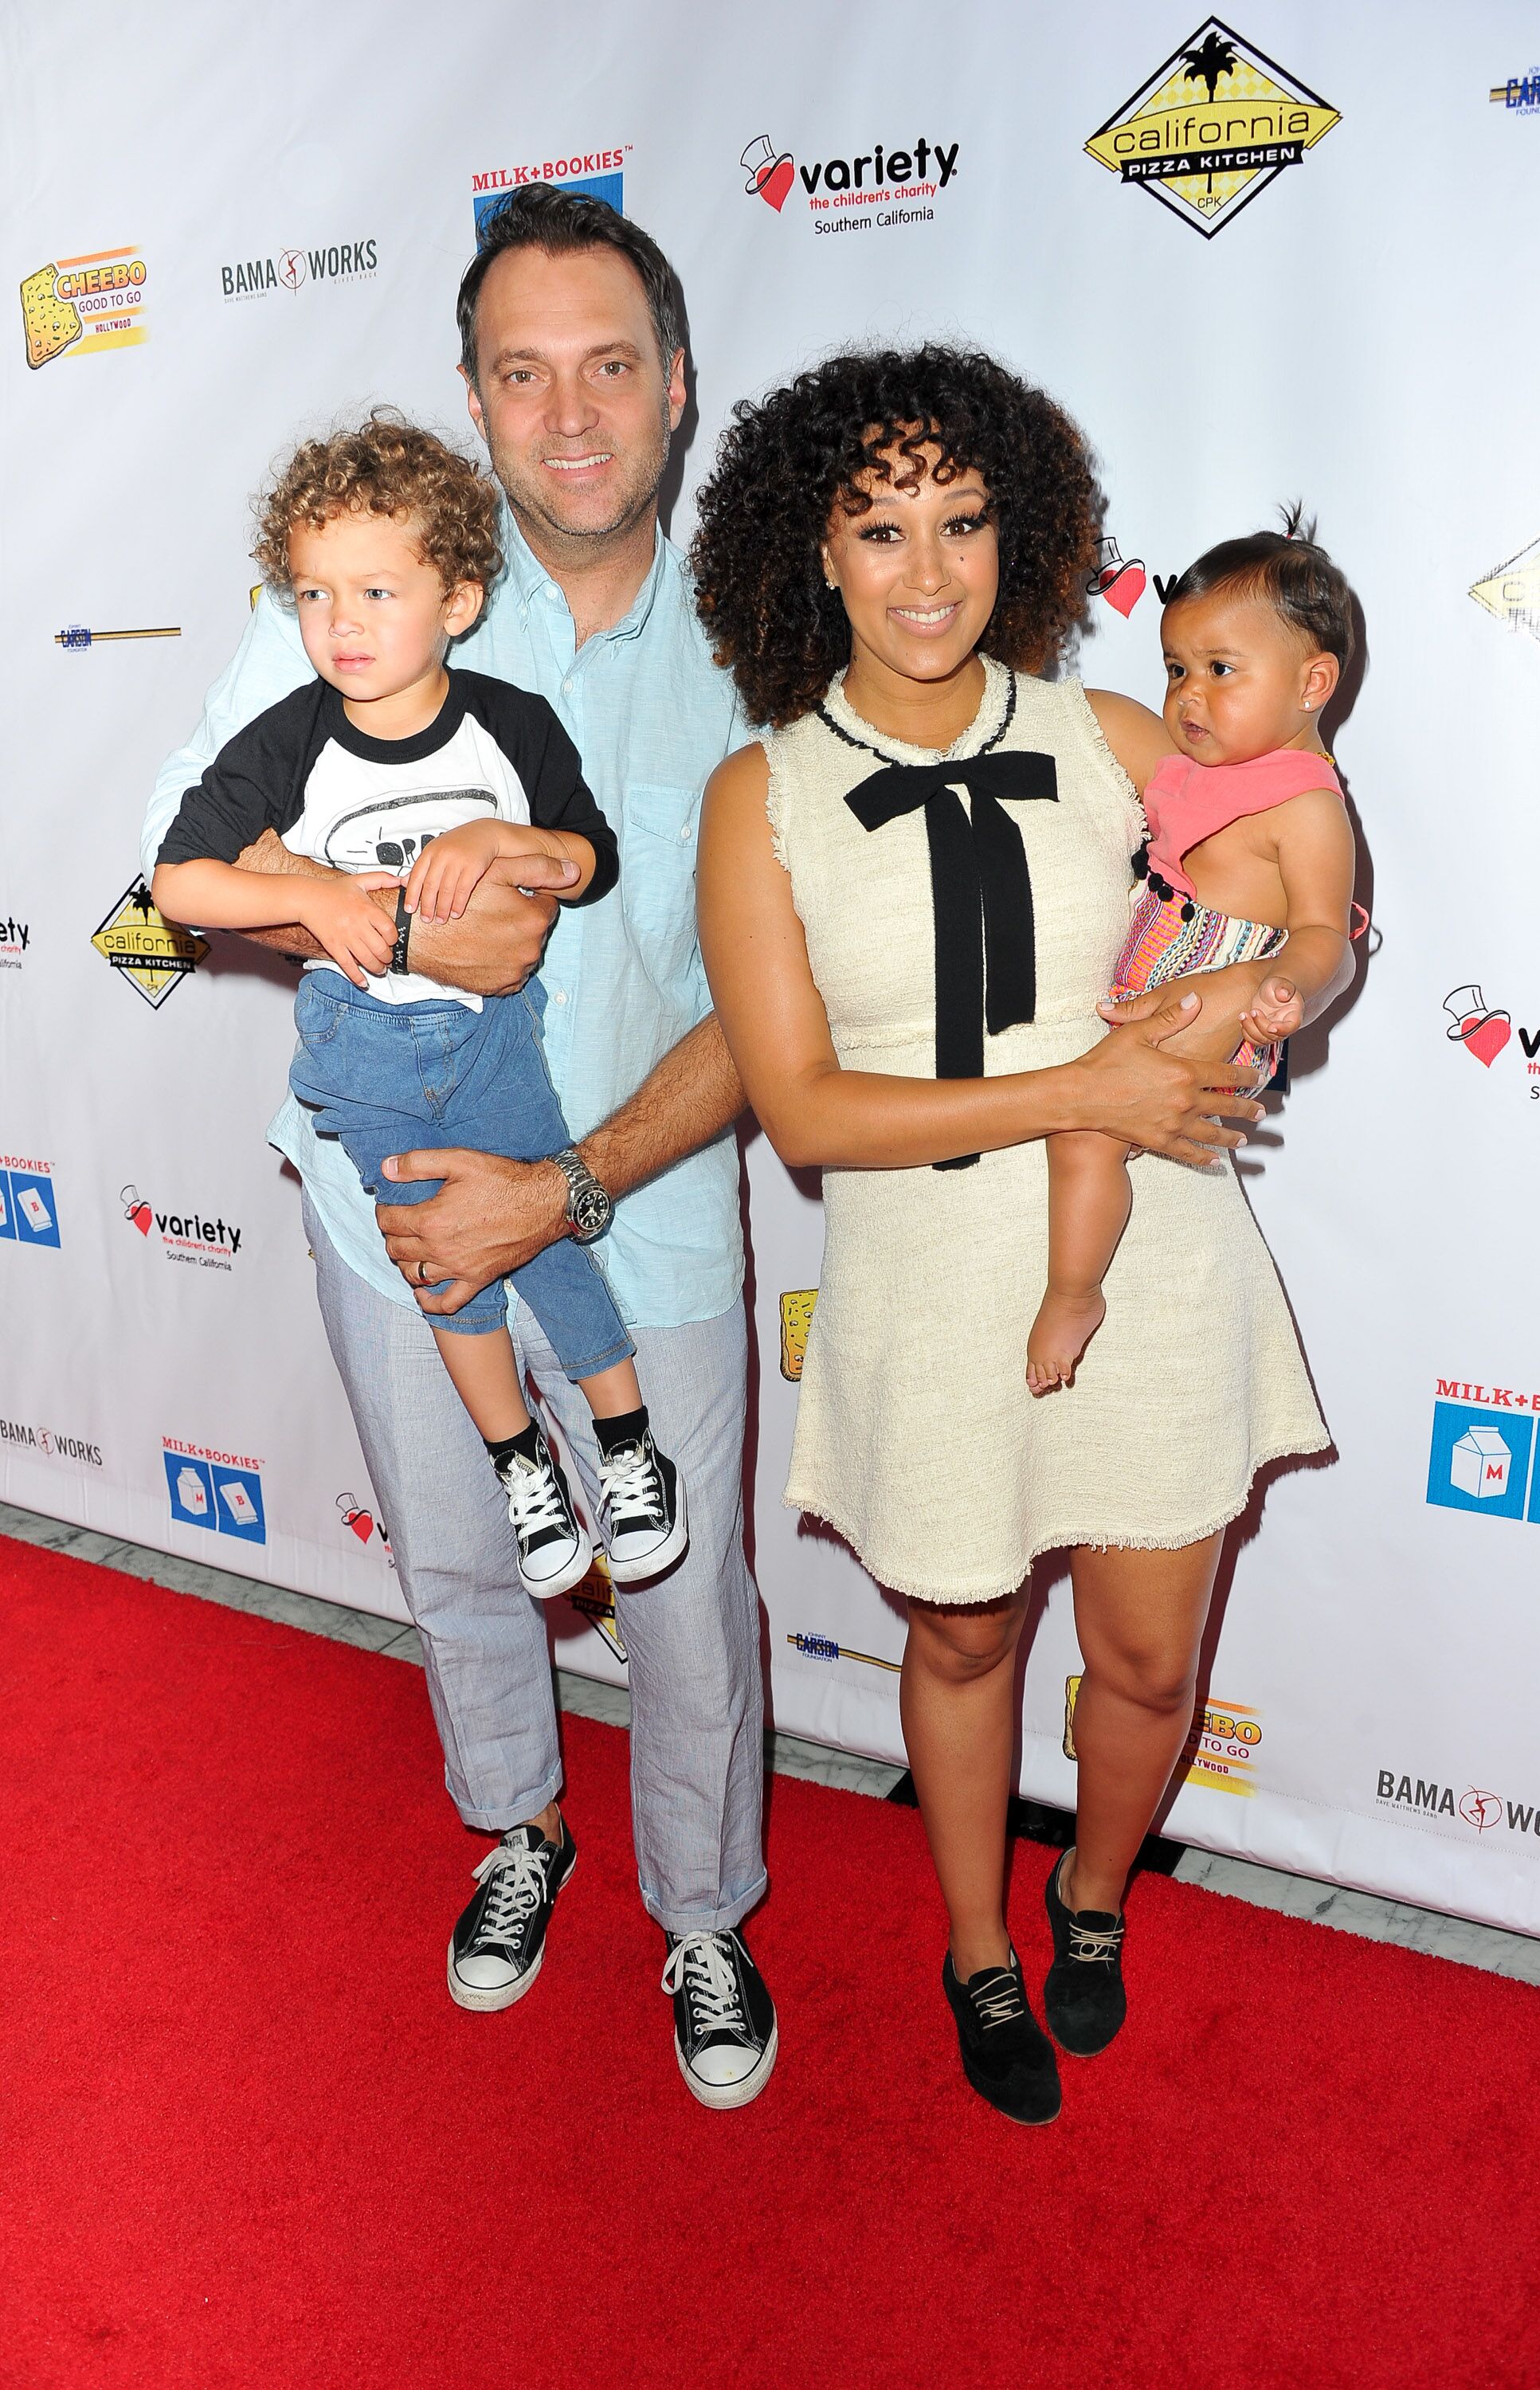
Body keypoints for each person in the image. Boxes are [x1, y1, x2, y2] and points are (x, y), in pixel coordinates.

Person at [141, 189, 775, 2109]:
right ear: (474, 399)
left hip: (632, 1219)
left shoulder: (765, 643)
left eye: (607, 366)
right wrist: (402, 926)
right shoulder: (356, 588)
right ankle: (518, 1825)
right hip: (389, 1208)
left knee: (680, 1600)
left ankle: (705, 1912)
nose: (568, 413)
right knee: (458, 1553)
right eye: (522, 371)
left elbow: (783, 1010)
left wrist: (566, 1183)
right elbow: (176, 891)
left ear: (677, 384)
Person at [692, 348, 1342, 2126]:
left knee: (1144, 1659)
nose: (924, 570)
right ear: (810, 552)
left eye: (961, 522)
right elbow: (808, 1114)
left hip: (1158, 1260)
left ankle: (1089, 1899)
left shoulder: (1110, 734)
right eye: (877, 526)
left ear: (1018, 535)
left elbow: (1298, 889)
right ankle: (976, 1942)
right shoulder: (758, 799)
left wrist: (1290, 977)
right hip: (928, 1282)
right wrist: (1085, 1099)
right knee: (965, 1640)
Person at [151, 417, 690, 1600]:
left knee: (546, 1236)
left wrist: (509, 838)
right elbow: (176, 880)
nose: (339, 625)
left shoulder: (512, 725)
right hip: (366, 1057)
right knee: (442, 1267)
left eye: (377, 591)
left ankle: (627, 1444)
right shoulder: (288, 737)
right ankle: (521, 1467)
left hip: (497, 1041)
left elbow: (589, 861)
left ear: (456, 598)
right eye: (312, 593)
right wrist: (320, 902)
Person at [1026, 510, 1357, 1391]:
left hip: (1226, 980)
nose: (1188, 695)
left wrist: (1293, 986)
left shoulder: (1306, 806)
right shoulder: (1190, 766)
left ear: (1311, 681)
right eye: (1175, 669)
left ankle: (1073, 1292)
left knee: (1086, 1128)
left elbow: (1329, 934)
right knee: (1074, 1108)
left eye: (1220, 671)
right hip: (1158, 959)